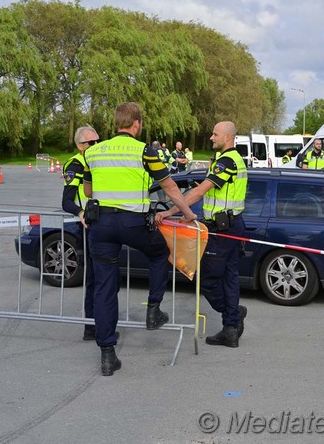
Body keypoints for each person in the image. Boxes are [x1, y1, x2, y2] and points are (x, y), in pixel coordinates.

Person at [83, 102, 198, 376]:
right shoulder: (145, 151)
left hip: (101, 225)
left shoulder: (94, 151)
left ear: (116, 124)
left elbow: (88, 191)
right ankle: (153, 310)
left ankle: (108, 354)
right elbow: (170, 187)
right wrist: (188, 214)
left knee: (104, 286)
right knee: (159, 253)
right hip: (133, 223)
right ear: (136, 124)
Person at [156, 121, 247, 348]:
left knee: (206, 278)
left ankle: (232, 316)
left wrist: (173, 211)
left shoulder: (226, 161)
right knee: (229, 278)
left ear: (227, 137)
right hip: (231, 225)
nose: (210, 137)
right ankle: (231, 329)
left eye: (215, 134)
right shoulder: (230, 160)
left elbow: (198, 192)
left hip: (222, 229)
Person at [62, 125, 100, 341]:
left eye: (97, 142)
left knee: (107, 279)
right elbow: (66, 201)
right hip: (88, 226)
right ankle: (91, 327)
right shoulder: (75, 164)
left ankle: (101, 323)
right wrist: (80, 212)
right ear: (79, 146)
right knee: (94, 278)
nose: (95, 146)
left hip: (106, 224)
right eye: (90, 143)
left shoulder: (100, 161)